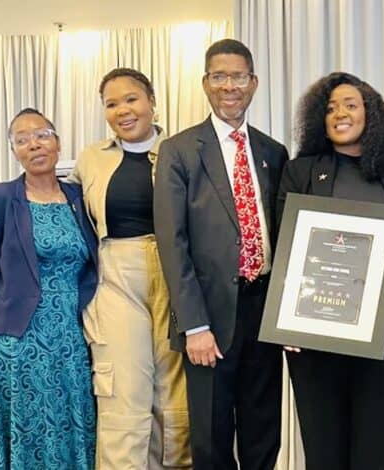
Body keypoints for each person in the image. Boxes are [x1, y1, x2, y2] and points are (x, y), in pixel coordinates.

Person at [276, 71, 384, 470]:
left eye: (350, 105)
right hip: (316, 334)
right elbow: (285, 245)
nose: (340, 114)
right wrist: (285, 320)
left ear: (370, 114)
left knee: (382, 449)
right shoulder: (300, 171)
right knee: (324, 449)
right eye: (330, 108)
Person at [153, 39, 289, 470]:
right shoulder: (179, 150)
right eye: (220, 76)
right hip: (208, 315)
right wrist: (194, 325)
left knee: (263, 428)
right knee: (211, 436)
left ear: (254, 83)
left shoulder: (273, 152)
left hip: (263, 309)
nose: (230, 86)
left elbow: (286, 234)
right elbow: (172, 243)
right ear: (205, 83)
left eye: (239, 77)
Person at [69, 67, 191, 469]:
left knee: (175, 390)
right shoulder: (91, 159)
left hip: (177, 272)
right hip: (117, 276)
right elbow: (61, 206)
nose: (122, 110)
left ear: (152, 101)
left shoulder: (183, 151)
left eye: (131, 99)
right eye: (111, 104)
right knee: (124, 388)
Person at [0, 108, 98, 468]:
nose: (34, 145)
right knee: (30, 425)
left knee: (71, 418)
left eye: (42, 135)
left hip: (71, 335)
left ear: (57, 142)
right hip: (19, 338)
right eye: (22, 140)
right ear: (14, 152)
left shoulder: (79, 197)